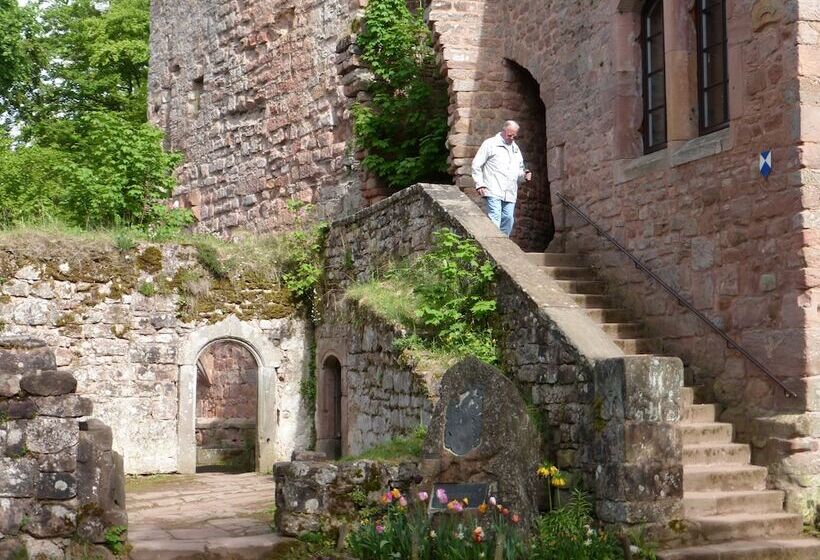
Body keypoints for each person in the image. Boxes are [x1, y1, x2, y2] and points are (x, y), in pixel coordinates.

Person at [471, 120, 533, 236]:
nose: (512, 138)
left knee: (508, 220)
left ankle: (503, 248)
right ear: (503, 131)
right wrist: (479, 183)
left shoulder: (516, 149)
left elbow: (519, 171)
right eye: (510, 135)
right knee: (495, 218)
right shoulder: (490, 144)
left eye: (515, 136)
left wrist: (524, 175)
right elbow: (476, 164)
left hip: (510, 192)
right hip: (493, 188)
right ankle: (493, 247)